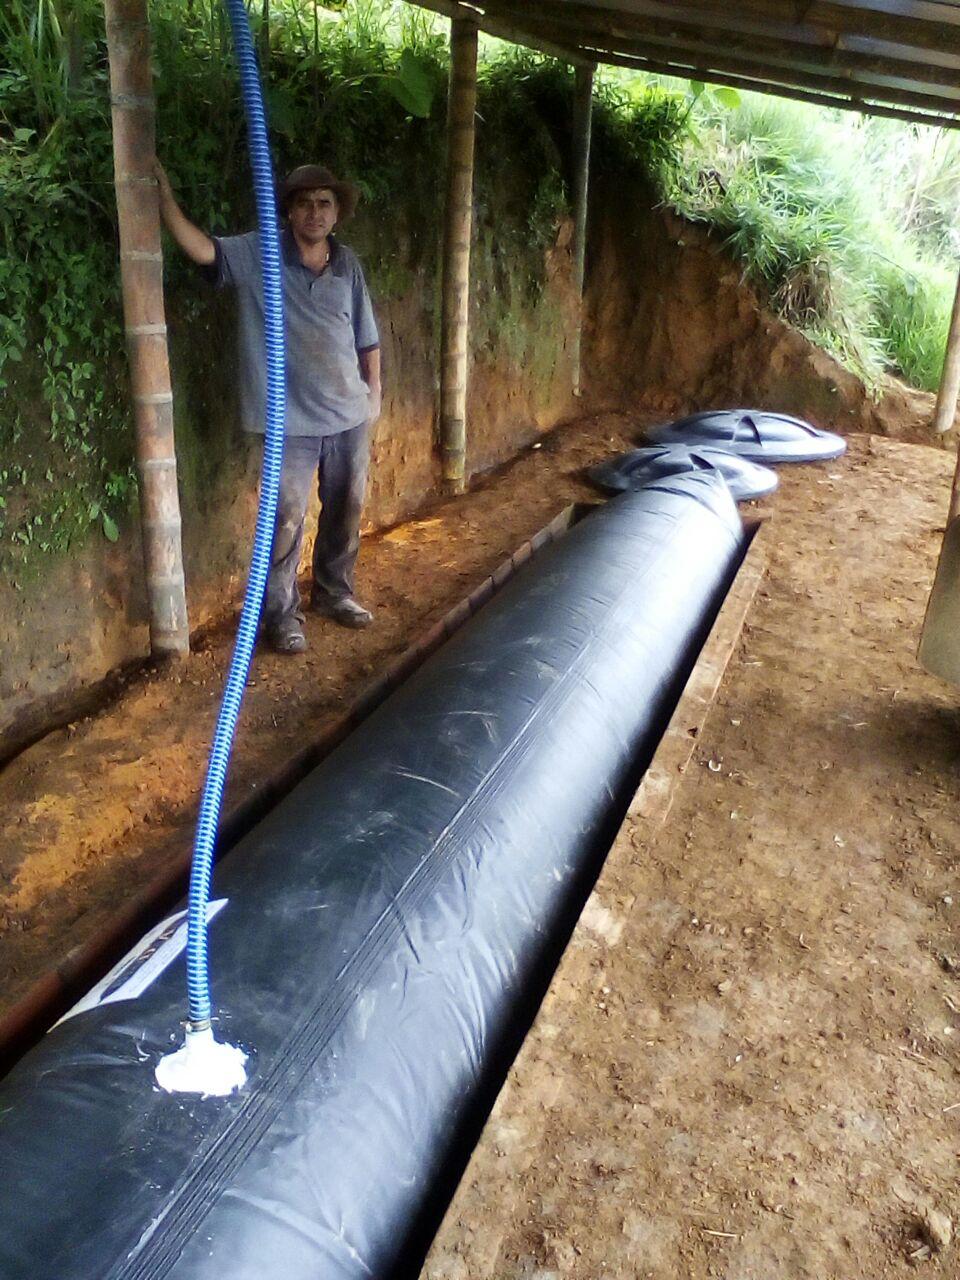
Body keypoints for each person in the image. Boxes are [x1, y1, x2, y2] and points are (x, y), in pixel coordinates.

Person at [154, 160, 382, 653]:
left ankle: (334, 594)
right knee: (284, 519)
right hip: (290, 423)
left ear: (337, 213)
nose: (314, 213)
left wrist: (373, 394)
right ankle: (280, 618)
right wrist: (164, 199)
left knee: (347, 508)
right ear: (289, 211)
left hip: (349, 415)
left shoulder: (348, 266)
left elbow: (367, 337)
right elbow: (202, 250)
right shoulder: (260, 253)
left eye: (324, 203)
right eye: (304, 203)